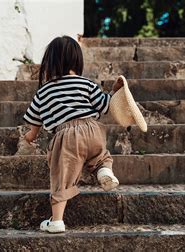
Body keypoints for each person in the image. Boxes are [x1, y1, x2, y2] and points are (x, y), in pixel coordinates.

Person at [23, 35, 123, 233]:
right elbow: (105, 106)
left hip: (66, 136)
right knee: (101, 156)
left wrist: (29, 137)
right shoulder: (87, 84)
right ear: (77, 61)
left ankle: (57, 221)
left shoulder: (43, 92)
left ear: (49, 63)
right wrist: (113, 92)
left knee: (62, 177)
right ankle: (104, 170)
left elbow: (34, 124)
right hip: (93, 129)